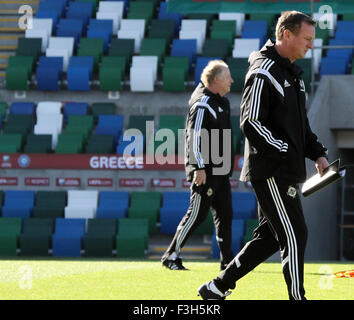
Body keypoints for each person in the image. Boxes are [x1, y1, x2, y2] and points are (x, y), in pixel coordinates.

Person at [197, 11, 329, 300]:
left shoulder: (294, 76)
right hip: (271, 170)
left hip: (287, 169)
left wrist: (317, 154)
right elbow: (251, 122)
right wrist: (283, 151)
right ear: (286, 35)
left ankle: (217, 287)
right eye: (306, 39)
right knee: (295, 233)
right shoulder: (262, 71)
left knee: (269, 237)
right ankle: (298, 297)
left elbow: (301, 127)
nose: (311, 45)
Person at [161, 60, 236, 271]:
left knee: (225, 215)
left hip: (221, 170)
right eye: (227, 76)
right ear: (215, 80)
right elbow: (193, 137)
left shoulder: (222, 102)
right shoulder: (203, 103)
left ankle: (227, 262)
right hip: (207, 171)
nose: (232, 80)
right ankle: (171, 255)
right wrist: (199, 168)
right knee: (196, 214)